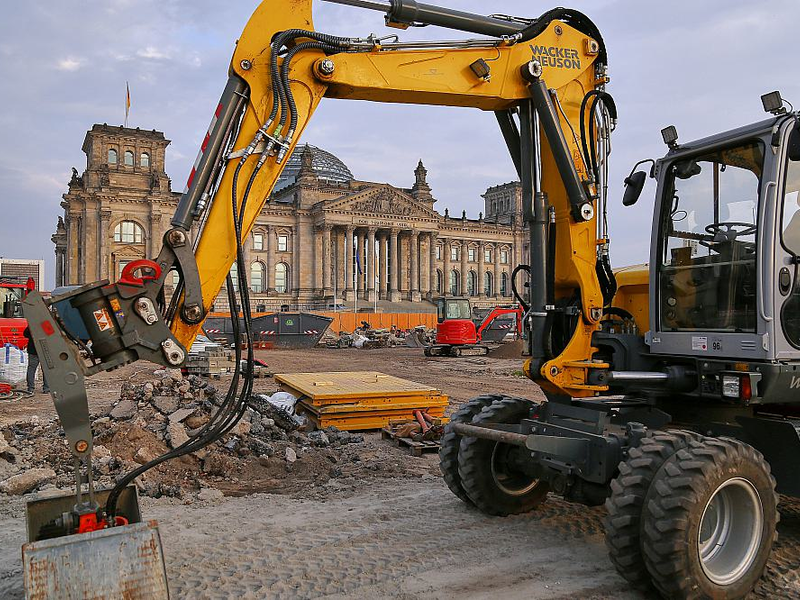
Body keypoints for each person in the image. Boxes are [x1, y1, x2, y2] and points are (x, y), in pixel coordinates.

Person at [23, 326, 49, 395]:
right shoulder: (47, 324)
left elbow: (25, 334)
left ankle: (30, 388)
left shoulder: (32, 324)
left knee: (31, 369)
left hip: (33, 350)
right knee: (46, 370)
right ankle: (46, 388)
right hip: (45, 350)